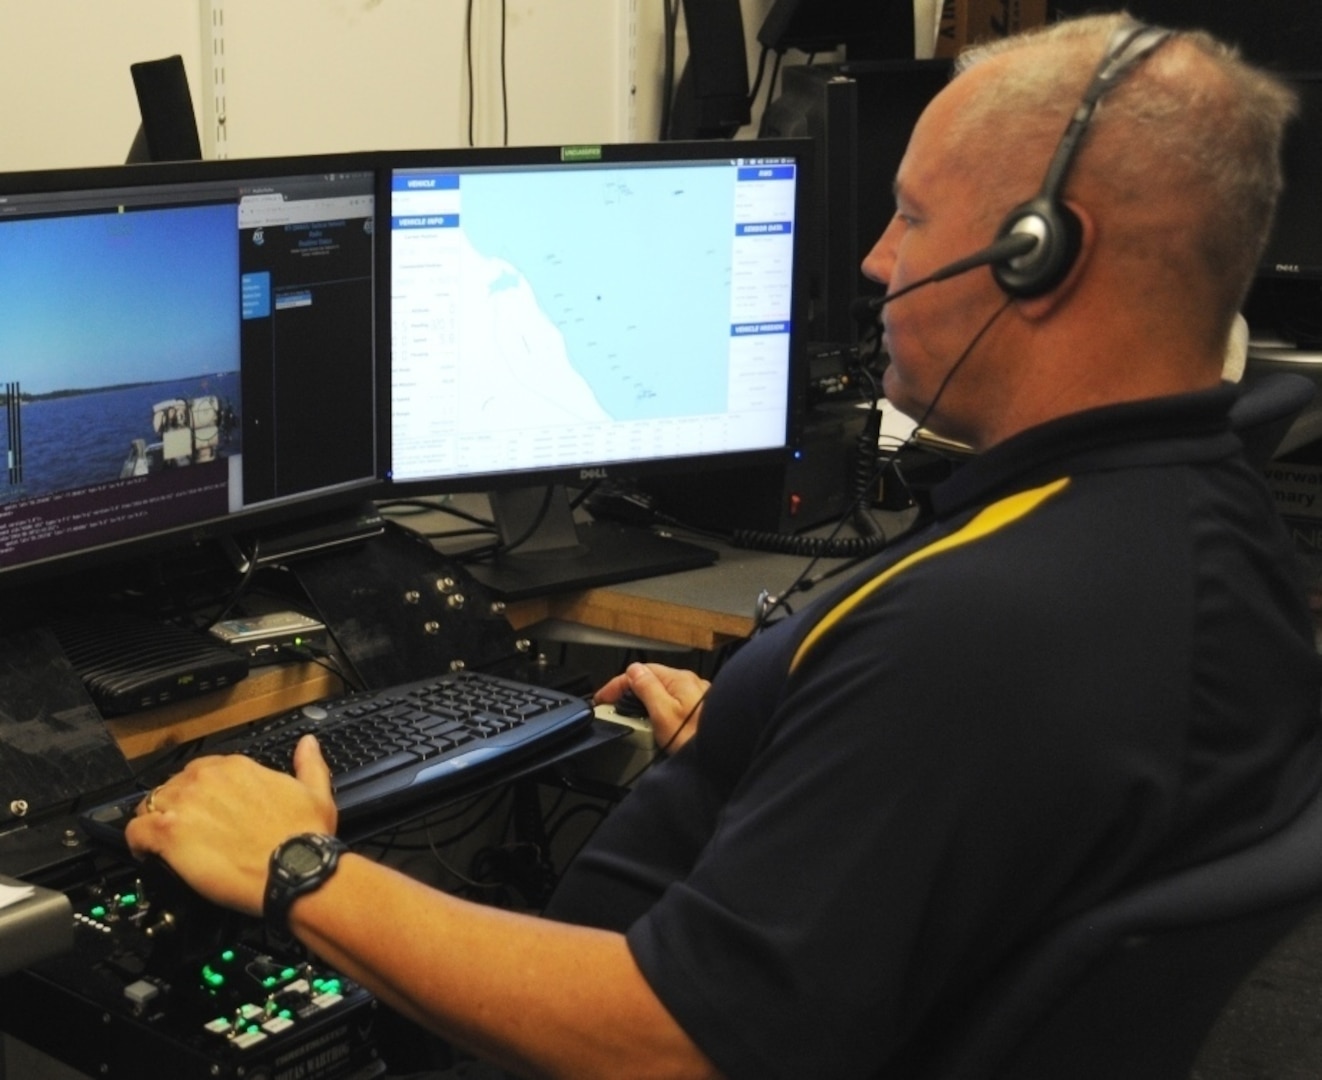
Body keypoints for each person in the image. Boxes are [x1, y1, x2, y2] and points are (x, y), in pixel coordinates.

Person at [126, 14, 1322, 1079]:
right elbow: (990, 826)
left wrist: (298, 872)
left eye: (907, 218)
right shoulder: (1204, 531)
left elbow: (674, 1043)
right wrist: (789, 746)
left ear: (1038, 251)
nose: (872, 262)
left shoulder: (984, 633)